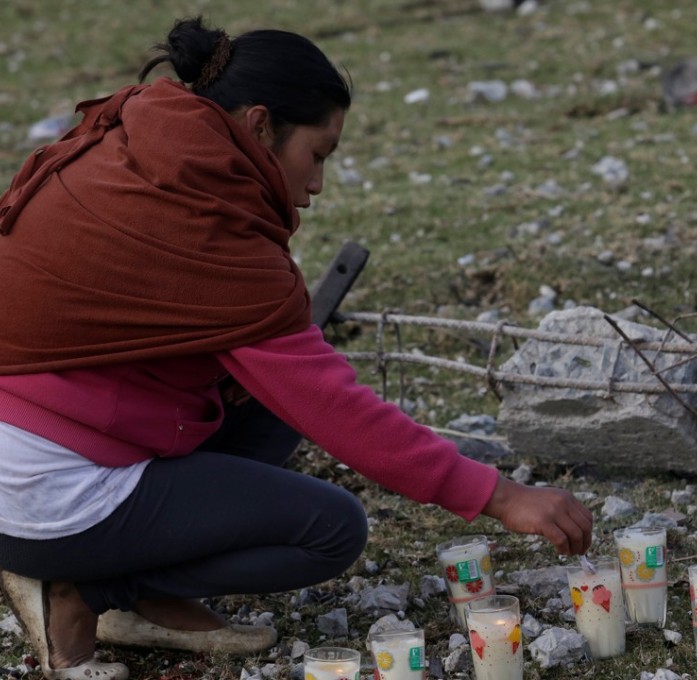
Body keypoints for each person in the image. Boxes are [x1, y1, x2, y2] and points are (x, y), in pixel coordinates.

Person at [0, 16, 593, 680]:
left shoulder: (134, 150)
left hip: (33, 436)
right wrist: (502, 495)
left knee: (271, 402)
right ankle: (84, 590)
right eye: (318, 154)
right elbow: (338, 408)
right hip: (51, 497)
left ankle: (133, 583)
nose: (316, 183)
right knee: (330, 529)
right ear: (258, 126)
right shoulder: (210, 228)